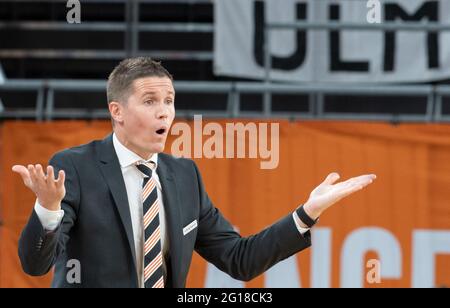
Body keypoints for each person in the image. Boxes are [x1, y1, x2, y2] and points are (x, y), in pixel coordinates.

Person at [12, 57, 376, 288]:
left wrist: (306, 214)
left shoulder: (184, 175)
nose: (164, 113)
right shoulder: (74, 166)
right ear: (117, 111)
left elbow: (240, 260)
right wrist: (48, 210)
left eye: (169, 101)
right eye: (150, 101)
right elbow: (35, 265)